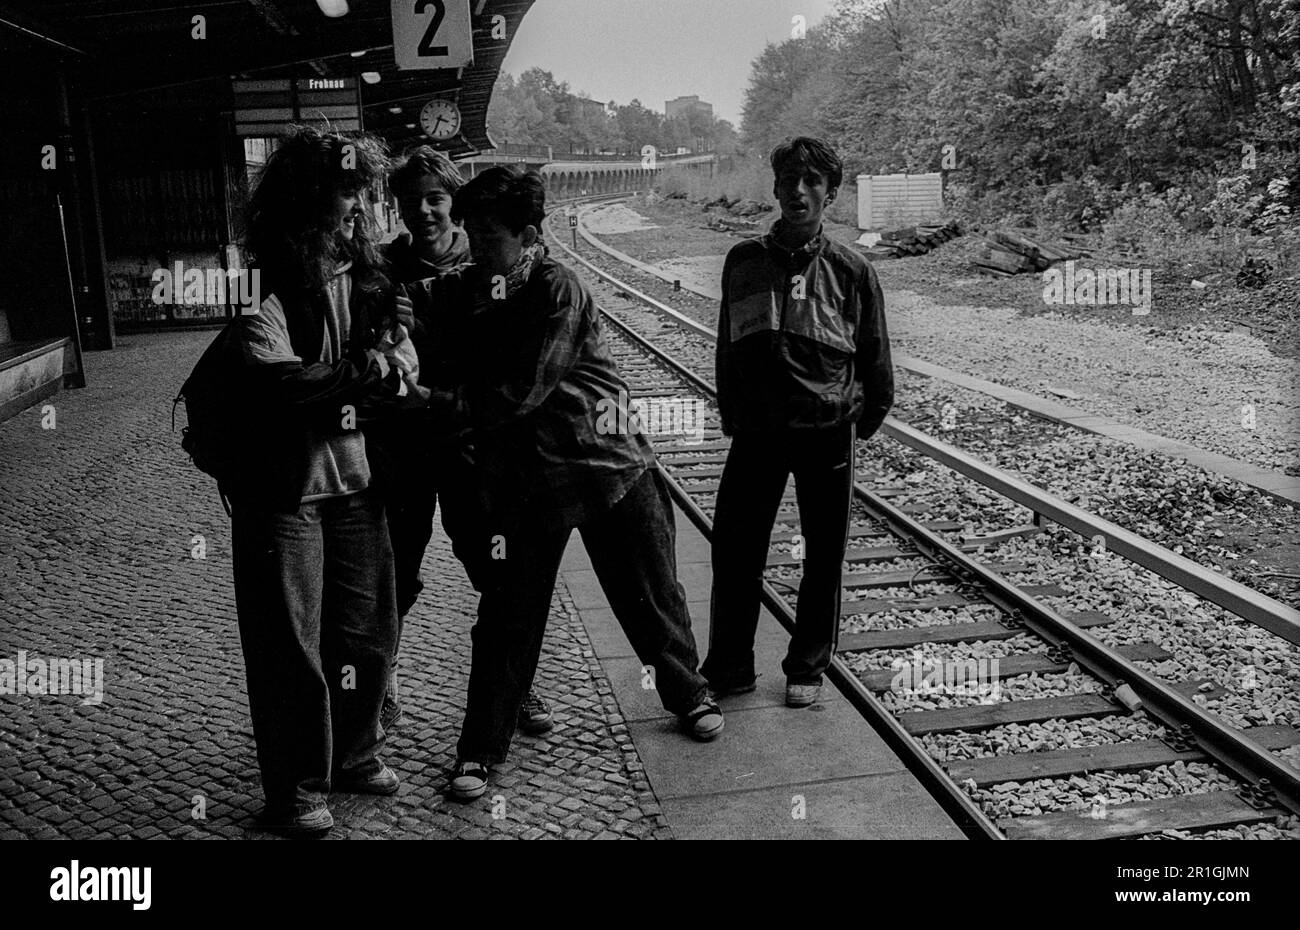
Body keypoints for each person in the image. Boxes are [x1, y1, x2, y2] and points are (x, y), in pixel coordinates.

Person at [414, 166, 724, 802]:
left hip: (608, 464)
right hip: (529, 482)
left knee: (648, 593)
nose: (476, 246)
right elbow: (432, 298)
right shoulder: (476, 283)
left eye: (490, 235)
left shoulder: (560, 288)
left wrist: (430, 401)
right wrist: (399, 303)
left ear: (528, 236)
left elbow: (521, 390)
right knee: (508, 616)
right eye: (470, 232)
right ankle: (479, 749)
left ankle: (689, 695)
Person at [225, 127, 410, 836]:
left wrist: (383, 366)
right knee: (288, 647)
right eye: (345, 191)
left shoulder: (368, 278)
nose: (360, 206)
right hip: (282, 489)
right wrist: (363, 373)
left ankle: (355, 754)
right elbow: (276, 383)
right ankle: (297, 789)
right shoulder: (257, 280)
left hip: (357, 482)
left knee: (366, 631)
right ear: (307, 199)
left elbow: (404, 367)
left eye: (364, 191)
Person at [701, 136, 894, 709]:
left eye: (813, 183)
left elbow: (874, 357)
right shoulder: (744, 260)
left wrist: (859, 422)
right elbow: (727, 346)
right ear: (777, 187)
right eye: (790, 181)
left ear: (830, 194)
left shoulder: (851, 270)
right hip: (759, 430)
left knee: (823, 550)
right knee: (735, 550)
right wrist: (733, 412)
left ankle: (807, 664)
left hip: (825, 430)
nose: (799, 192)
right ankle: (730, 666)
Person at [378, 146, 553, 736]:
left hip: (469, 439)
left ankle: (516, 686)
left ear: (455, 203)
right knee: (395, 567)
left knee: (492, 562)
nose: (423, 210)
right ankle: (382, 684)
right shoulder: (383, 266)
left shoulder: (490, 258)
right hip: (403, 441)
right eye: (410, 200)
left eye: (435, 198)